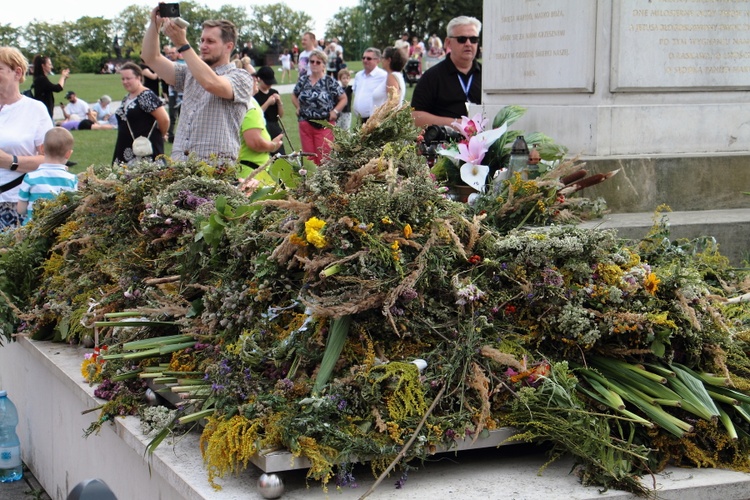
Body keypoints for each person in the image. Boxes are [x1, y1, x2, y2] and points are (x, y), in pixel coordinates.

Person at [142, 10, 254, 163]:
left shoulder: (242, 77)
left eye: (210, 41)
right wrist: (155, 24)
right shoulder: (190, 72)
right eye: (202, 40)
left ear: (229, 46)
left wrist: (183, 44)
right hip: (180, 168)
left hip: (215, 171)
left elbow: (212, 83)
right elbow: (151, 58)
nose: (203, 46)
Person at [0, 46, 53, 230]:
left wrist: (10, 161)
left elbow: (49, 160)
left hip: (16, 203)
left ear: (17, 72)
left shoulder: (35, 110)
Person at [411, 16, 482, 128]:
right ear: (448, 43)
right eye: (462, 39)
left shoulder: (488, 77)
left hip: (485, 142)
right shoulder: (431, 77)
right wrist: (457, 124)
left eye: (473, 39)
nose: (468, 43)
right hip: (444, 143)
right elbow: (415, 116)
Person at [291, 49, 346, 165]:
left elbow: (343, 98)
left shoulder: (329, 81)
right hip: (305, 123)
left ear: (324, 65)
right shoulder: (303, 80)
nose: (314, 64)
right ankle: (310, 181)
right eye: (312, 62)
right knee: (308, 158)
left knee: (324, 157)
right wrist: (298, 107)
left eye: (318, 62)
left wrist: (335, 111)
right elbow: (294, 95)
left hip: (324, 124)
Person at [16, 127, 78, 224]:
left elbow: (21, 210)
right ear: (68, 154)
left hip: (31, 231)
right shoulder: (71, 179)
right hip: (59, 230)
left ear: (42, 149)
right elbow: (73, 207)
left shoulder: (30, 177)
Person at [113, 62, 169, 165]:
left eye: (128, 78)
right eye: (123, 79)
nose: (125, 82)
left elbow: (164, 119)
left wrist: (161, 134)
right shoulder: (127, 97)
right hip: (125, 146)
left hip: (143, 148)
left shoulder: (146, 96)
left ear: (138, 78)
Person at [252, 66, 285, 155]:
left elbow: (280, 115)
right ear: (259, 79)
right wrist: (268, 102)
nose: (269, 85)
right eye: (267, 83)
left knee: (280, 154)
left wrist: (279, 102)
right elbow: (257, 113)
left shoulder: (274, 92)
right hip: (263, 127)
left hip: (275, 127)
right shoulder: (255, 95)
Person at [352, 48, 387, 124]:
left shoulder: (383, 76)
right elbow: (355, 92)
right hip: (360, 120)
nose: (365, 60)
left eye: (369, 58)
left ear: (377, 60)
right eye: (363, 58)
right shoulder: (358, 75)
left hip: (375, 120)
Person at [162, 45, 185, 143]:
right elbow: (166, 80)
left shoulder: (183, 64)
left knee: (182, 115)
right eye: (169, 53)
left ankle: (183, 136)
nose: (171, 55)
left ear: (177, 53)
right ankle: (171, 135)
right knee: (172, 115)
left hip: (182, 94)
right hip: (172, 94)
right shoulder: (168, 64)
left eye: (173, 53)